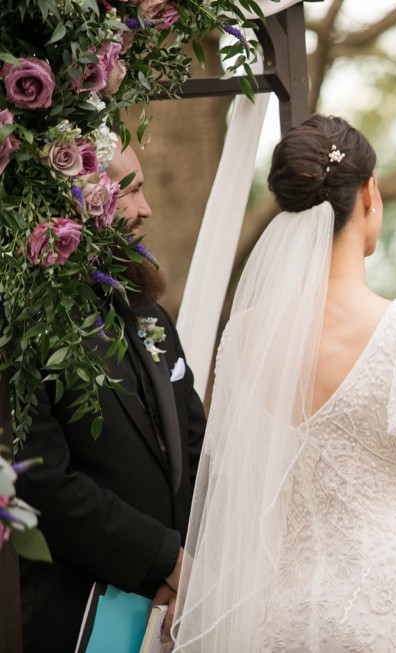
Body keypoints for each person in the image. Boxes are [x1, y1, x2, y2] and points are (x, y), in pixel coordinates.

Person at [172, 115, 396, 652]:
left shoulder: (242, 336)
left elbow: (235, 478)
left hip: (276, 606)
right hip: (385, 601)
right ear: (370, 193)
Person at [16, 141, 207, 652]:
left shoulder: (152, 318)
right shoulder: (25, 325)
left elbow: (195, 455)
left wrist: (190, 572)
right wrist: (163, 560)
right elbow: (40, 482)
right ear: (80, 199)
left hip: (171, 617)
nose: (146, 209)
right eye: (133, 190)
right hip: (71, 618)